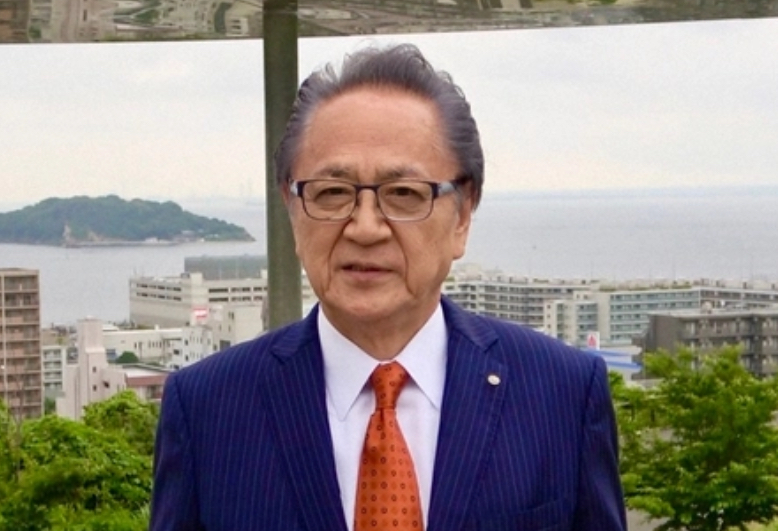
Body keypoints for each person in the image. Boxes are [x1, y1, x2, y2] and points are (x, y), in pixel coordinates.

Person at [150, 43, 627, 531]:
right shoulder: (207, 408)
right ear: (291, 209)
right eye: (332, 193)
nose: (365, 227)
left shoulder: (562, 394)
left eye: (403, 194)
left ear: (463, 214)